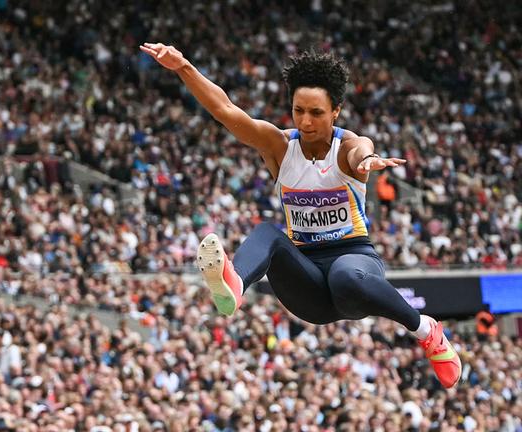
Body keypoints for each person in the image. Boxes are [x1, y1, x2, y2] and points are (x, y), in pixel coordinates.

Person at [140, 43, 461, 388]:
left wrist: (367, 161)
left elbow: (360, 150)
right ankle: (235, 283)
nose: (306, 121)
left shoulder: (347, 148)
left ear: (336, 111)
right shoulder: (278, 146)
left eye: (317, 113)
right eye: (299, 110)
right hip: (307, 285)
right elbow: (226, 110)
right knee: (268, 232)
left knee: (344, 276)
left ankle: (427, 331)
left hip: (354, 268)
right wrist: (184, 67)